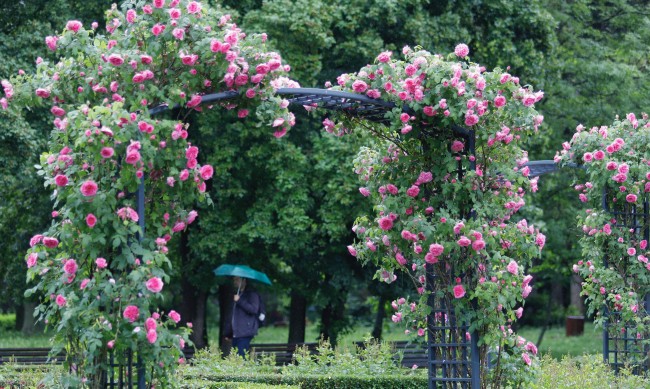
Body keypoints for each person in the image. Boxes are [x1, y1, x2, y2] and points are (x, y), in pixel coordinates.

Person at [223, 276, 260, 357]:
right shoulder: (237, 294)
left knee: (241, 358)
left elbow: (254, 309)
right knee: (235, 358)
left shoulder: (252, 294)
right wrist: (229, 333)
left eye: (237, 279)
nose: (235, 282)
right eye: (234, 280)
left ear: (244, 280)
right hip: (236, 334)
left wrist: (239, 301)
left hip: (245, 332)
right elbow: (233, 317)